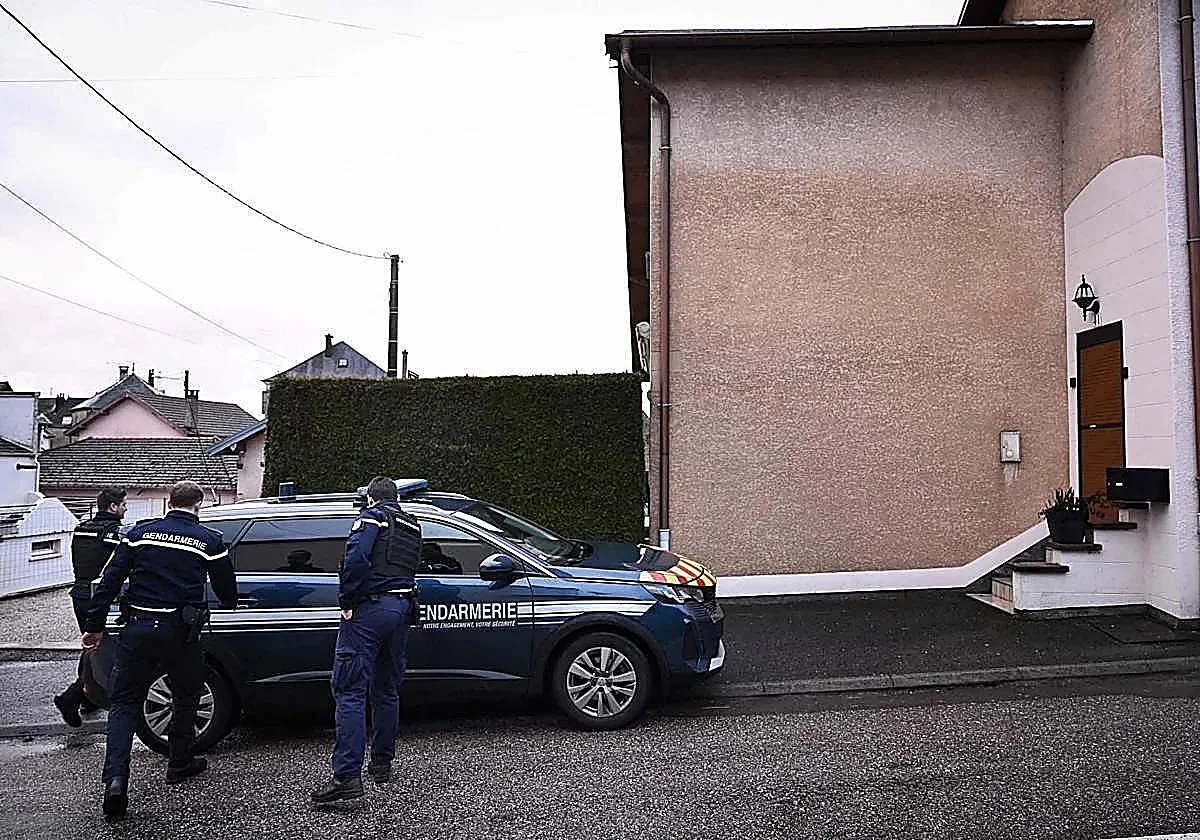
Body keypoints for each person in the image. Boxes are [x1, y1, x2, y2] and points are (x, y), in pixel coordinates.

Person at [80, 480, 237, 820]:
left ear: (169, 502)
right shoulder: (209, 541)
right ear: (198, 506)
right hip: (180, 632)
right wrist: (228, 602)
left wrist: (93, 627)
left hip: (136, 628)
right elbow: (226, 587)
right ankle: (179, 763)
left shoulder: (138, 533)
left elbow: (110, 581)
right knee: (185, 694)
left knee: (123, 704)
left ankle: (116, 780)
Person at [310, 476, 421, 804]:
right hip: (401, 608)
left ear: (371, 498)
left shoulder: (372, 516)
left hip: (369, 610)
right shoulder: (411, 525)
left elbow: (357, 558)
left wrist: (346, 601)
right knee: (386, 689)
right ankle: (382, 764)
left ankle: (346, 776)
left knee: (349, 691)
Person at [53, 486, 127, 728]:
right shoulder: (114, 534)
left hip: (80, 593)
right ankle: (72, 696)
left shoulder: (82, 528)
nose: (125, 509)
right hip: (100, 596)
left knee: (89, 646)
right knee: (97, 648)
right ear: (113, 506)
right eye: (123, 504)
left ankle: (88, 697)